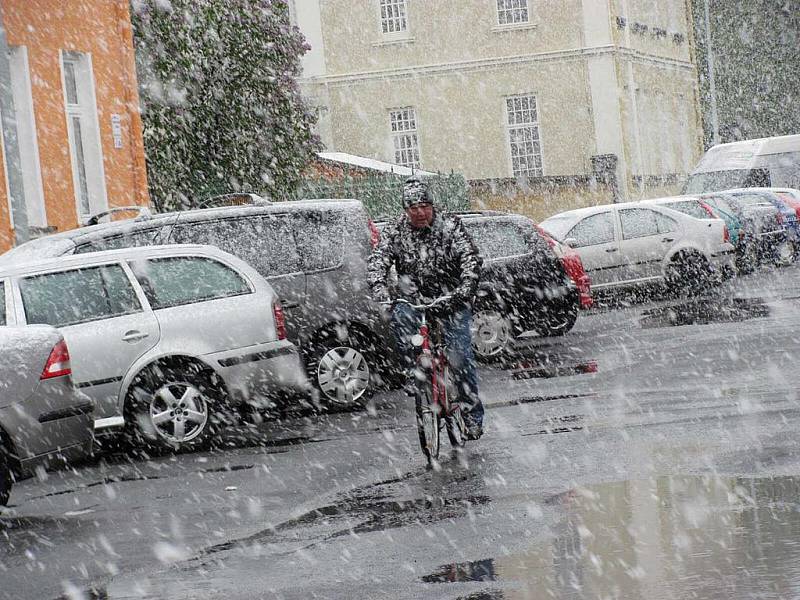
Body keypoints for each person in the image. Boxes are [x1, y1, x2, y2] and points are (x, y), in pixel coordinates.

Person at [368, 176, 485, 439]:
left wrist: (466, 287)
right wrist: (381, 291)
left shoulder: (450, 226)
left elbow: (470, 258)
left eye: (424, 206)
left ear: (432, 205)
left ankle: (471, 414)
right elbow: (378, 261)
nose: (420, 212)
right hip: (415, 299)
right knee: (401, 319)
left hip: (451, 299)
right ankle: (414, 372)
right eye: (413, 208)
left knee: (461, 357)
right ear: (405, 210)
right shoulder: (395, 231)